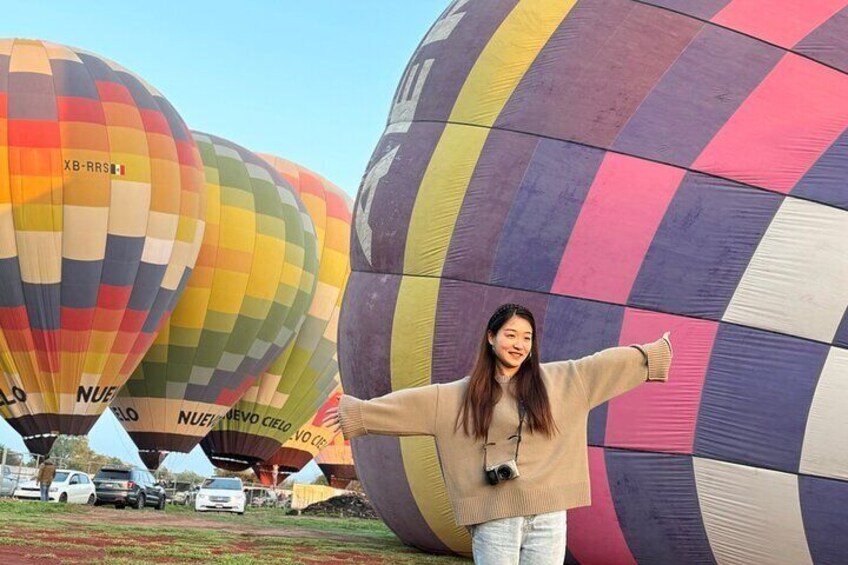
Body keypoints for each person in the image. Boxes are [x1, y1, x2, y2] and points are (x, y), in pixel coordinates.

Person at [323, 303, 672, 565]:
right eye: (511, 335)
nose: (519, 344)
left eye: (527, 337)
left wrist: (653, 355)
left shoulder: (563, 381)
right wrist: (358, 413)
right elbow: (411, 405)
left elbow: (604, 364)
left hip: (548, 515)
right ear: (491, 338)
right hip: (495, 517)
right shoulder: (459, 395)